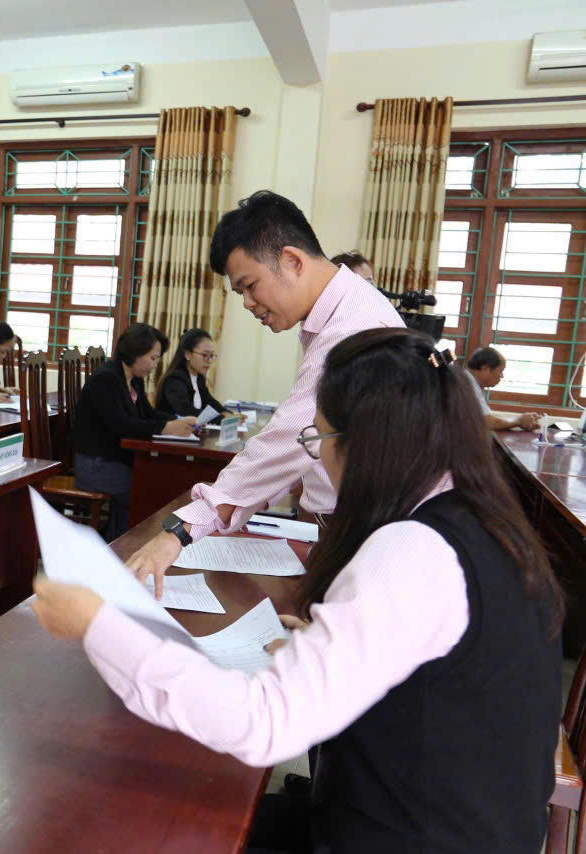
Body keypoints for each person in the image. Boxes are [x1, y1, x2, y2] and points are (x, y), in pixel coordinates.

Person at [33, 328, 562, 853]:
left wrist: (100, 625)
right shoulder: (480, 519)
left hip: (408, 835)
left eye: (321, 441)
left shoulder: (412, 549)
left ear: (369, 445)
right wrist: (330, 639)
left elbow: (263, 722)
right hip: (452, 821)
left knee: (142, 824)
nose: (320, 462)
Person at [125, 190, 404, 594]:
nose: (248, 303)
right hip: (346, 530)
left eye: (250, 285)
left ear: (292, 260)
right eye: (240, 293)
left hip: (360, 538)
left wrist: (178, 532)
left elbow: (290, 439)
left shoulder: (351, 329)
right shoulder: (343, 311)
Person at [72, 324, 197, 541]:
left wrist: (178, 421)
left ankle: (121, 541)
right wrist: (165, 428)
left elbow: (148, 414)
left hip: (118, 460)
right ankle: (120, 546)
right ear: (135, 353)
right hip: (96, 464)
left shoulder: (133, 379)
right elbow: (122, 425)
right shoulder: (106, 379)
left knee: (158, 479)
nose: (155, 365)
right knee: (146, 488)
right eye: (153, 358)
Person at [460, 346, 543, 432]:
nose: (502, 376)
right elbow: (487, 421)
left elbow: (488, 417)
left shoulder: (467, 380)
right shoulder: (466, 385)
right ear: (485, 369)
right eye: (501, 371)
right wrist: (519, 421)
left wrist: (519, 420)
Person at [157, 327, 225, 421]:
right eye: (205, 355)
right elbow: (187, 411)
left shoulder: (199, 378)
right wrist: (222, 418)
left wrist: (227, 413)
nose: (209, 360)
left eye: (212, 355)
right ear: (188, 354)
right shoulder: (174, 380)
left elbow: (211, 403)